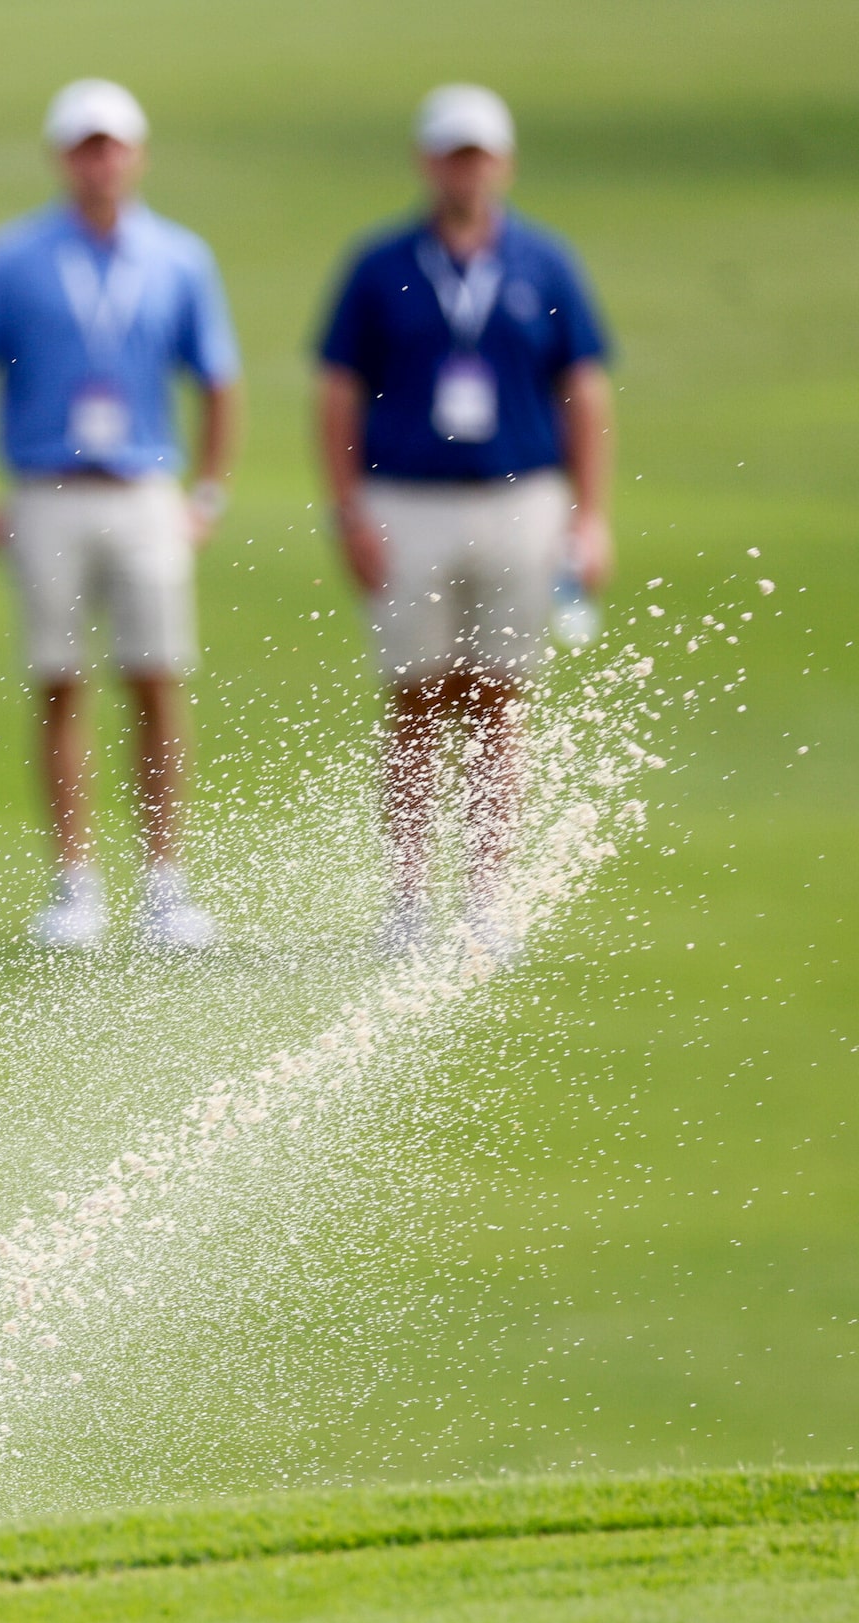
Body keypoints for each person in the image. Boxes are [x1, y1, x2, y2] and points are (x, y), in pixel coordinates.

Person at [314, 84, 613, 964]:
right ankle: (408, 900)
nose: (465, 169)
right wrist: (347, 510)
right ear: (426, 162)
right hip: (407, 499)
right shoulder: (380, 267)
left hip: (521, 496)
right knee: (414, 696)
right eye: (451, 153)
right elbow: (336, 395)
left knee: (497, 701)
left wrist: (589, 518)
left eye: (478, 154)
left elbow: (583, 391)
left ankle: (485, 898)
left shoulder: (543, 265)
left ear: (503, 163)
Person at [0, 79, 244, 951]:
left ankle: (165, 882)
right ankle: (74, 883)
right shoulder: (11, 259)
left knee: (156, 677)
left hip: (143, 487)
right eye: (85, 147)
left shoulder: (179, 258)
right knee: (59, 683)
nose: (100, 162)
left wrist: (207, 492)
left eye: (113, 146)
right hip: (47, 488)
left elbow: (217, 378)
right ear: (61, 158)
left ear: (138, 155)